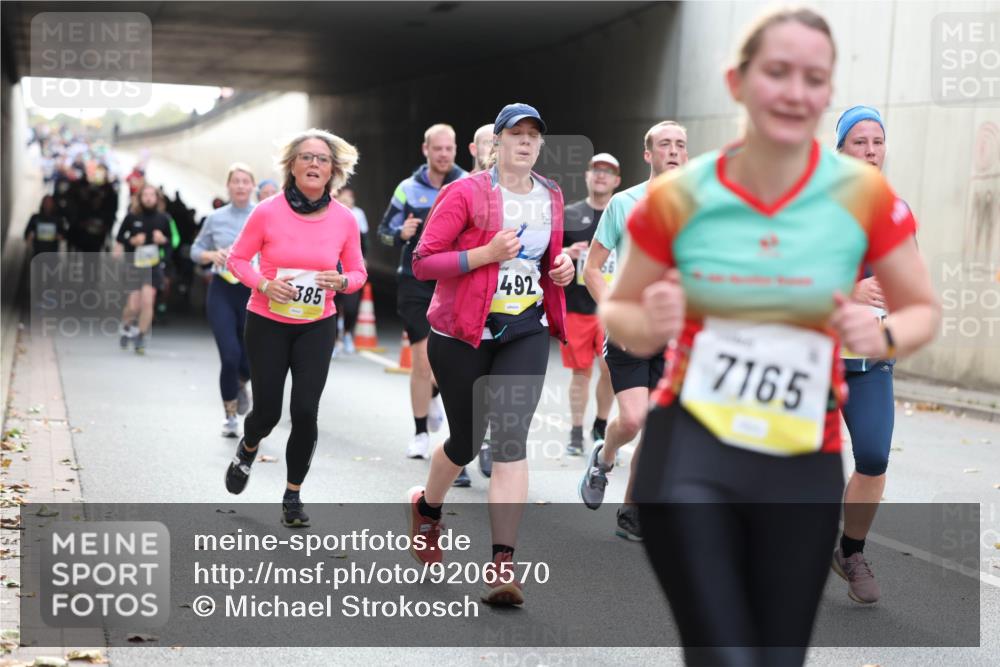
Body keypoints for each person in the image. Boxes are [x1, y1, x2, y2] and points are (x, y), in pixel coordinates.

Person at [604, 8, 939, 665]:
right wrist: (653, 320)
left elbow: (922, 308)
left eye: (814, 77)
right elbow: (619, 310)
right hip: (691, 450)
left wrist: (882, 336)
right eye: (777, 72)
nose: (795, 91)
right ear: (737, 82)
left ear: (826, 92)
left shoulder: (863, 196)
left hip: (802, 456)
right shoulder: (683, 195)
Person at [406, 103, 574, 605]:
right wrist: (485, 254)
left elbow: (546, 257)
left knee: (510, 439)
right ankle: (427, 509)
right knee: (465, 439)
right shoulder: (465, 193)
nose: (524, 142)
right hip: (462, 333)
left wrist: (560, 268)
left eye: (533, 135)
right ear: (495, 143)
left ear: (540, 145)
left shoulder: (551, 195)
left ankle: (502, 564)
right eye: (515, 134)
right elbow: (423, 263)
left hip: (524, 328)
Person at [224, 129, 366, 528]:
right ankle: (249, 447)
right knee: (266, 412)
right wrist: (265, 284)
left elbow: (358, 272)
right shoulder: (267, 211)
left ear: (334, 170)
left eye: (322, 159)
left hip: (316, 326)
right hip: (267, 321)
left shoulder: (344, 219)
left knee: (305, 410)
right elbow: (237, 260)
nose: (314, 164)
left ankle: (292, 495)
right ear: (292, 165)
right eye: (306, 157)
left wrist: (342, 283)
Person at [579, 121, 689, 541]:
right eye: (665, 145)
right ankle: (604, 457)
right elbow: (591, 268)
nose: (674, 151)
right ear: (649, 155)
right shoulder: (624, 205)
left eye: (680, 144)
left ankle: (631, 508)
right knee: (633, 419)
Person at [831, 105, 897, 604]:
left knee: (873, 457)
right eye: (860, 141)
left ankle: (850, 551)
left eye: (877, 141)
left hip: (870, 363)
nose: (871, 150)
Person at [377, 124, 466, 459]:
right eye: (437, 148)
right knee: (421, 358)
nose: (443, 154)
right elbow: (382, 232)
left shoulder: (466, 184)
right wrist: (400, 233)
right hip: (414, 280)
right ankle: (419, 434)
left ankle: (433, 399)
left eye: (449, 149)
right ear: (425, 150)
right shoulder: (407, 189)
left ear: (456, 150)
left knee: (448, 361)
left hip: (453, 280)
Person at [190, 163, 257, 438]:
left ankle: (242, 382)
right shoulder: (215, 218)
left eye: (245, 181)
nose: (241, 186)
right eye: (236, 181)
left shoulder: (262, 215)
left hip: (253, 292)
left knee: (250, 360)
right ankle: (230, 416)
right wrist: (210, 256)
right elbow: (195, 249)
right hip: (222, 290)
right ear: (228, 186)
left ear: (252, 187)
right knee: (229, 355)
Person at [560, 154, 620, 456]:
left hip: (609, 309)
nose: (601, 175)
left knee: (610, 369)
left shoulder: (622, 213)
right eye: (596, 169)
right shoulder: (570, 214)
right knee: (580, 372)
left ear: (617, 181)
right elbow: (549, 253)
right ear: (587, 175)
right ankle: (574, 431)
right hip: (576, 307)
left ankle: (600, 424)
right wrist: (566, 252)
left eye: (608, 172)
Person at [113, 183, 172, 354]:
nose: (148, 198)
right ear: (139, 198)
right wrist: (131, 241)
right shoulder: (132, 217)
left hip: (153, 266)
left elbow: (172, 242)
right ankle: (126, 327)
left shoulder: (164, 218)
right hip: (134, 265)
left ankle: (140, 336)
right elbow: (119, 236)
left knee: (148, 301)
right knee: (133, 305)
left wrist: (163, 242)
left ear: (157, 198)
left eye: (151, 195)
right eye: (145, 195)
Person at [332, 185, 369, 355]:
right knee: (333, 306)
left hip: (350, 268)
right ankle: (334, 341)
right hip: (332, 268)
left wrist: (365, 259)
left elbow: (364, 241)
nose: (346, 204)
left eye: (349, 201)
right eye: (343, 201)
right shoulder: (331, 216)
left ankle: (347, 333)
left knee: (351, 307)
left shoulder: (357, 216)